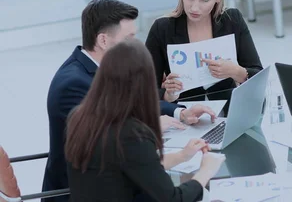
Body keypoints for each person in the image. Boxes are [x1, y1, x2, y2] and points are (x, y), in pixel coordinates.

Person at [42, 0, 217, 202]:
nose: (136, 44)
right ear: (104, 41)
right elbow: (114, 140)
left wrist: (179, 112)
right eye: (130, 38)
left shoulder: (106, 74)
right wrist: (149, 126)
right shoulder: (72, 86)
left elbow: (124, 105)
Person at [64, 38, 225, 201]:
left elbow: (141, 165)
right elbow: (173, 199)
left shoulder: (79, 115)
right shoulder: (130, 134)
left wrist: (182, 155)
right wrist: (205, 171)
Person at [146, 0, 263, 107]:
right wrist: (167, 95)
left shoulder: (232, 20)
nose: (194, 8)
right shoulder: (162, 28)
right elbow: (144, 91)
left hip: (229, 111)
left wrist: (236, 72)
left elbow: (259, 76)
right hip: (182, 116)